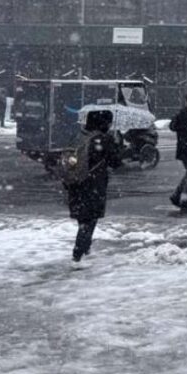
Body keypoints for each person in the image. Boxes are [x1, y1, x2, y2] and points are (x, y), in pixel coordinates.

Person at [65, 110, 122, 263]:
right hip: (93, 183)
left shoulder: (79, 136)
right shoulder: (104, 139)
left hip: (75, 183)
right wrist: (116, 145)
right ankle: (78, 254)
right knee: (90, 218)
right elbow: (116, 162)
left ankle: (85, 248)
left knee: (83, 218)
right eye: (109, 122)